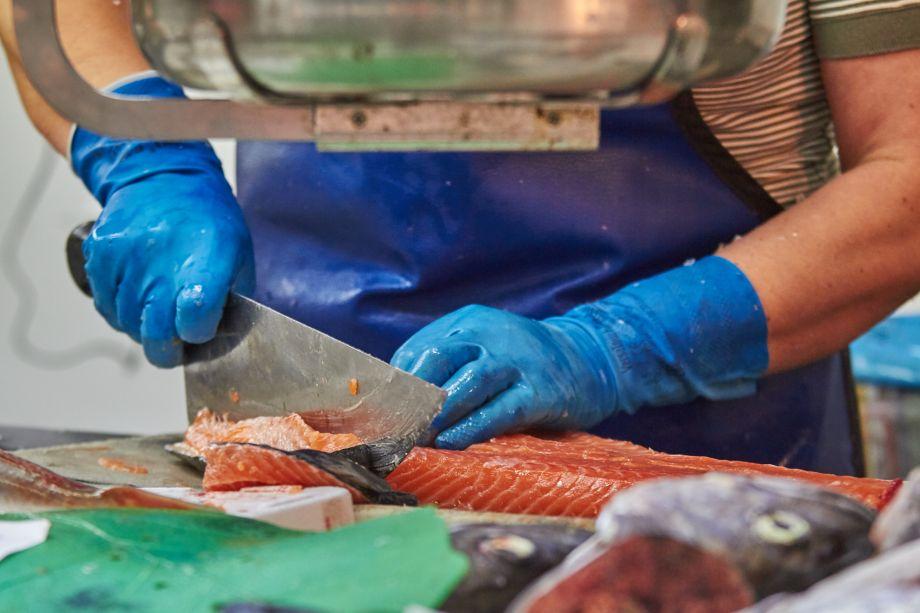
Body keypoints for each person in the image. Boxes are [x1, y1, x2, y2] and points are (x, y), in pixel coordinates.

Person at [2, 1, 918, 474]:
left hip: (699, 463)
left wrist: (616, 349)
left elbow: (907, 174)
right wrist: (138, 156)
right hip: (298, 451)